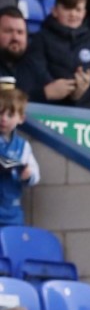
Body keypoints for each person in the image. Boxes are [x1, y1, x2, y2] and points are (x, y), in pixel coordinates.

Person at [0, 6, 75, 100]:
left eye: (20, 32)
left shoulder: (33, 64)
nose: (15, 38)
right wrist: (44, 94)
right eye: (8, 31)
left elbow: (54, 92)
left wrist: (77, 94)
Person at [0, 86, 37, 225]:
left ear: (21, 119)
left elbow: (34, 173)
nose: (3, 119)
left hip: (12, 211)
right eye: (0, 113)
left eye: (10, 115)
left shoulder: (23, 146)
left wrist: (28, 174)